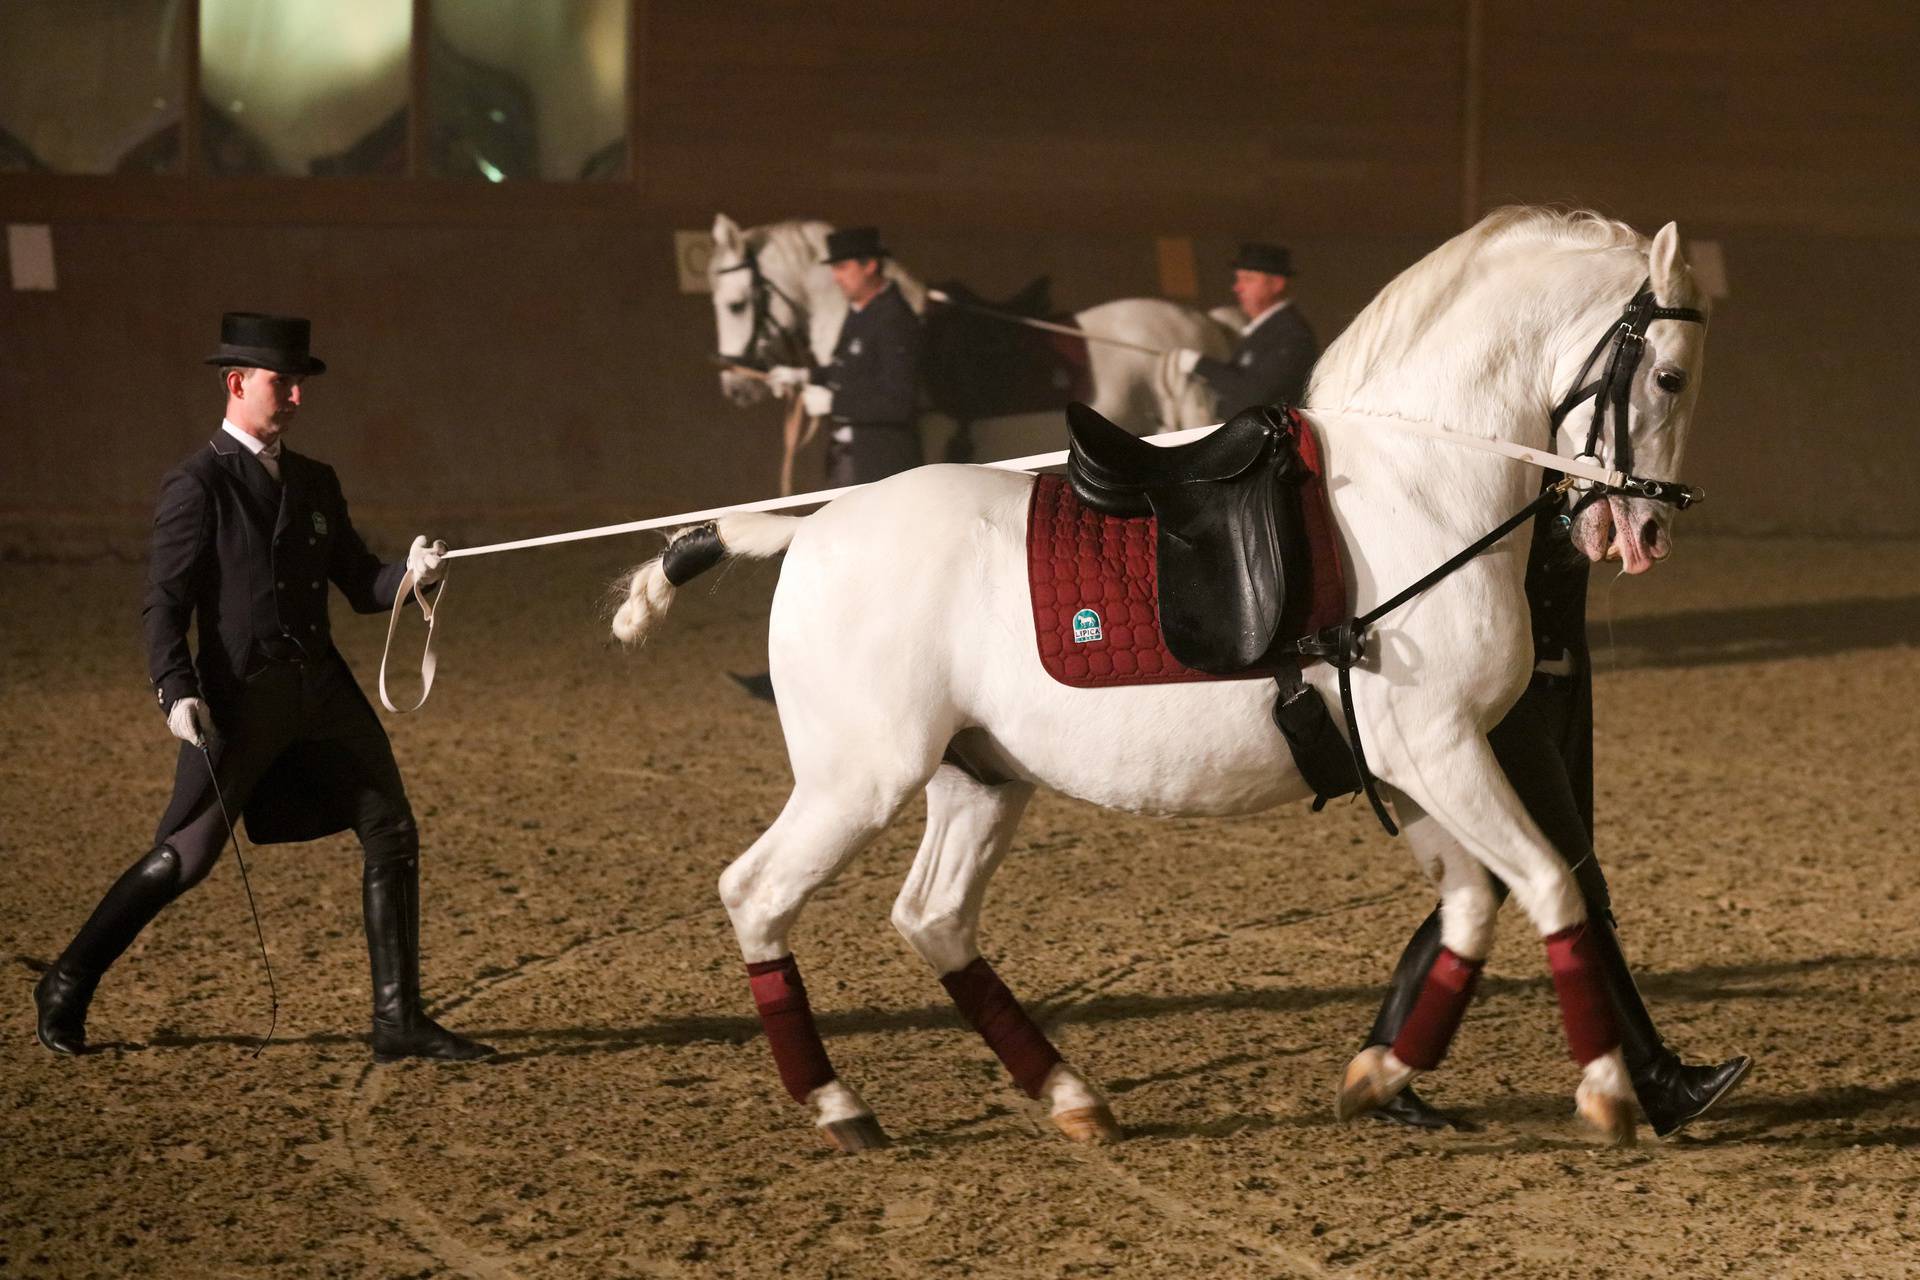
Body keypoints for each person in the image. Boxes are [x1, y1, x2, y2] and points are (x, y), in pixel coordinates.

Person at [32, 312, 492, 1063]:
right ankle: (65, 981)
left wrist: (413, 573)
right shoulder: (198, 484)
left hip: (323, 692)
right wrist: (173, 689)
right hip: (243, 699)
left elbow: (362, 584)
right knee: (187, 857)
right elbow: (164, 604)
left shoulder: (316, 481)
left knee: (391, 829)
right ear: (238, 383)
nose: (297, 397)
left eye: (301, 384)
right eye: (285, 382)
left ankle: (397, 1021)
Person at [1351, 505, 1751, 1136]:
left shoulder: (1568, 463)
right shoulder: (1514, 471)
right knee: (1568, 877)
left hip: (1560, 687)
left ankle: (1386, 1061)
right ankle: (1654, 1080)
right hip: (1512, 705)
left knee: (1495, 883)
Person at [766, 226, 924, 486]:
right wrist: (805, 376)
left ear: (869, 266)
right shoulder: (860, 312)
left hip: (881, 465)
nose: (836, 277)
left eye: (842, 267)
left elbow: (898, 402)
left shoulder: (894, 318)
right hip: (848, 457)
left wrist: (835, 404)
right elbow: (849, 370)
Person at [1175, 242, 1319, 417]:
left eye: (1248, 279)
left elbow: (1255, 395)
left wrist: (1200, 365)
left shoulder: (1291, 334)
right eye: (1238, 279)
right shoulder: (1264, 330)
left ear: (1276, 284)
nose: (1237, 288)